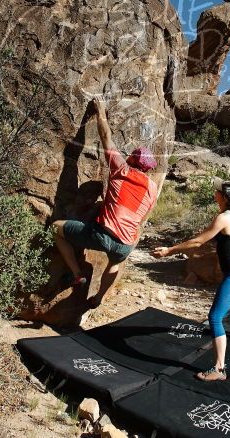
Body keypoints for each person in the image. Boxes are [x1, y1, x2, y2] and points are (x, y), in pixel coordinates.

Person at [52, 98, 159, 309]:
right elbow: (143, 215)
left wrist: (100, 112)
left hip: (102, 235)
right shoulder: (153, 188)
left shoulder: (122, 169)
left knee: (56, 228)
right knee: (115, 263)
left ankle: (77, 274)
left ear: (131, 160)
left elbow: (106, 137)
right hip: (126, 244)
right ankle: (99, 298)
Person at [152, 178, 230, 382]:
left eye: (217, 191)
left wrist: (169, 250)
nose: (214, 193)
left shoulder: (224, 217)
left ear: (225, 197)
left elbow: (198, 241)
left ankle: (219, 369)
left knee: (215, 318)